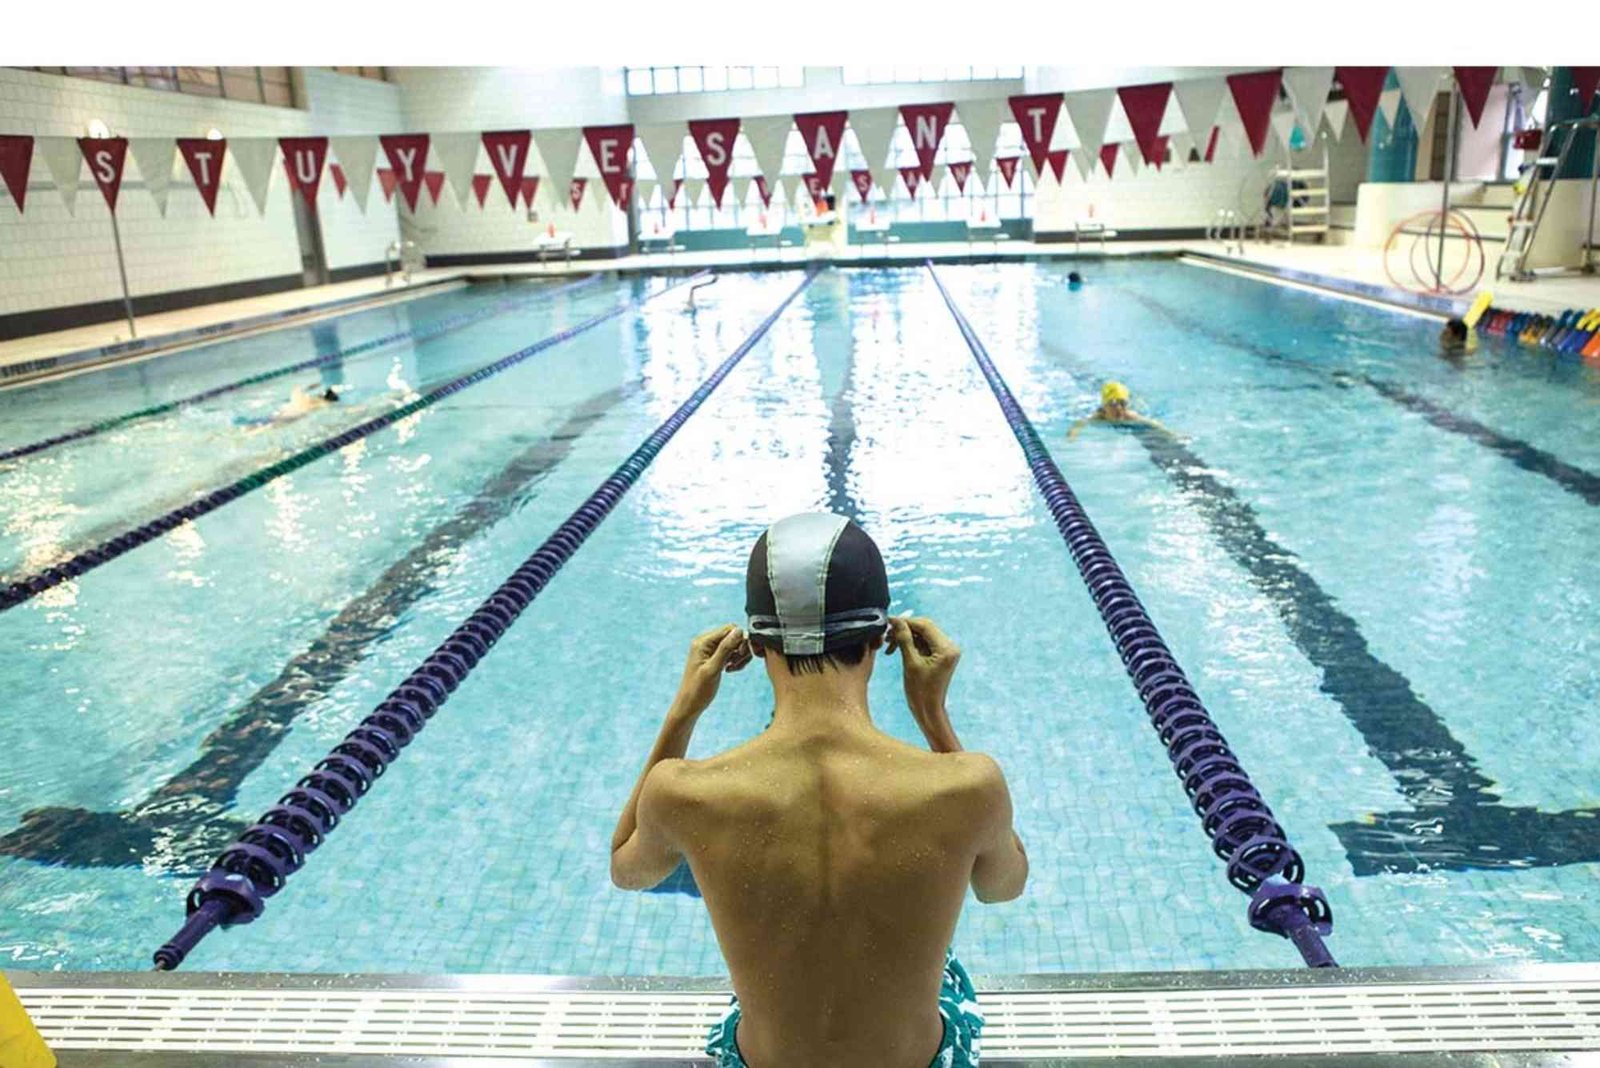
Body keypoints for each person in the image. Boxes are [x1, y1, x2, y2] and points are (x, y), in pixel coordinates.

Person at [610, 513, 1028, 1068]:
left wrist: (683, 712)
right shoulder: (967, 786)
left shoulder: (685, 792)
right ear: (882, 638)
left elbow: (628, 870)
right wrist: (933, 716)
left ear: (755, 645)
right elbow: (1003, 886)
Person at [1068, 381, 1166, 439]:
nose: (1118, 408)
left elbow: (1153, 423)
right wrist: (1073, 433)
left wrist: (1170, 434)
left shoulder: (1129, 415)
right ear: (1105, 406)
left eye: (1122, 403)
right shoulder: (1099, 415)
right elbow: (1080, 423)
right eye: (1113, 404)